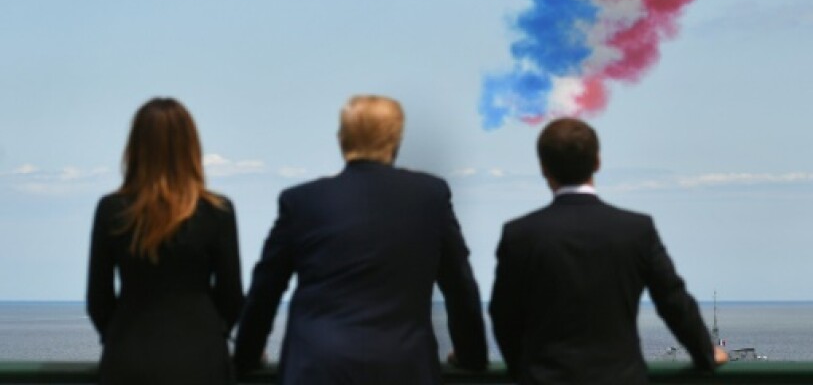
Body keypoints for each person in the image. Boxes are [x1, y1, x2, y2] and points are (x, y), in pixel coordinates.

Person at [233, 95, 487, 384]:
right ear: (396, 139)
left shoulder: (301, 201)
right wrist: (472, 356)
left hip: (316, 370)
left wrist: (246, 357)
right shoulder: (430, 196)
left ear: (342, 139)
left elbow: (265, 290)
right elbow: (459, 286)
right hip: (404, 369)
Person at [489, 118, 727, 385]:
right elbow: (672, 300)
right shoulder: (636, 230)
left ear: (544, 168)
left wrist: (522, 370)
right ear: (597, 162)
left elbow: (503, 315)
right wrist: (705, 353)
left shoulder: (520, 234)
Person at [87, 97, 243, 385]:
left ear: (135, 148)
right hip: (201, 358)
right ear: (191, 147)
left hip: (128, 357)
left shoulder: (112, 210)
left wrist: (118, 336)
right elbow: (231, 296)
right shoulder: (217, 212)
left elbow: (98, 300)